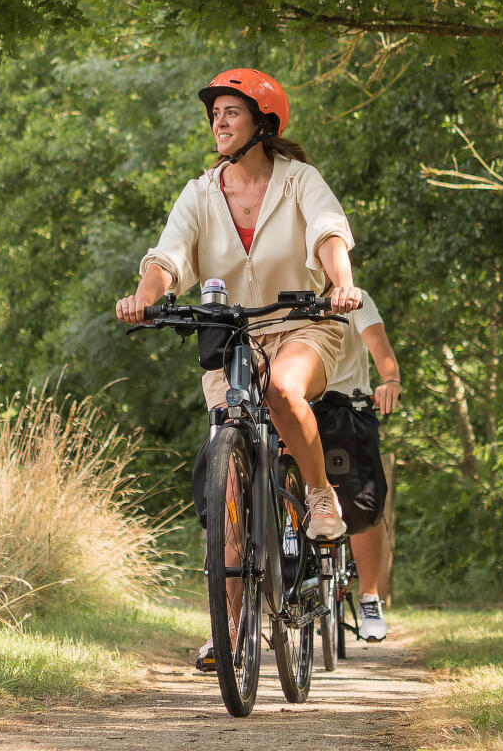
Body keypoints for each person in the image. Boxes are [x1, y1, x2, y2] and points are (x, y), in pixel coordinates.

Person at [114, 68, 360, 667]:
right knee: (226, 468)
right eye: (215, 114)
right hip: (230, 339)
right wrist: (145, 297)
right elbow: (168, 257)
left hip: (304, 323)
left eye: (231, 112)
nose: (219, 123)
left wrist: (341, 284)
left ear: (261, 123)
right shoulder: (201, 193)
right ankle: (229, 630)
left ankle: (321, 499)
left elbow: (329, 233)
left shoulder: (300, 181)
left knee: (281, 390)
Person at [318, 289, 402, 641]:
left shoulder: (356, 298)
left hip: (349, 409)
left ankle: (369, 596)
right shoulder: (280, 291)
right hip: (296, 407)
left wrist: (390, 382)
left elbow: (380, 349)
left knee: (366, 497)